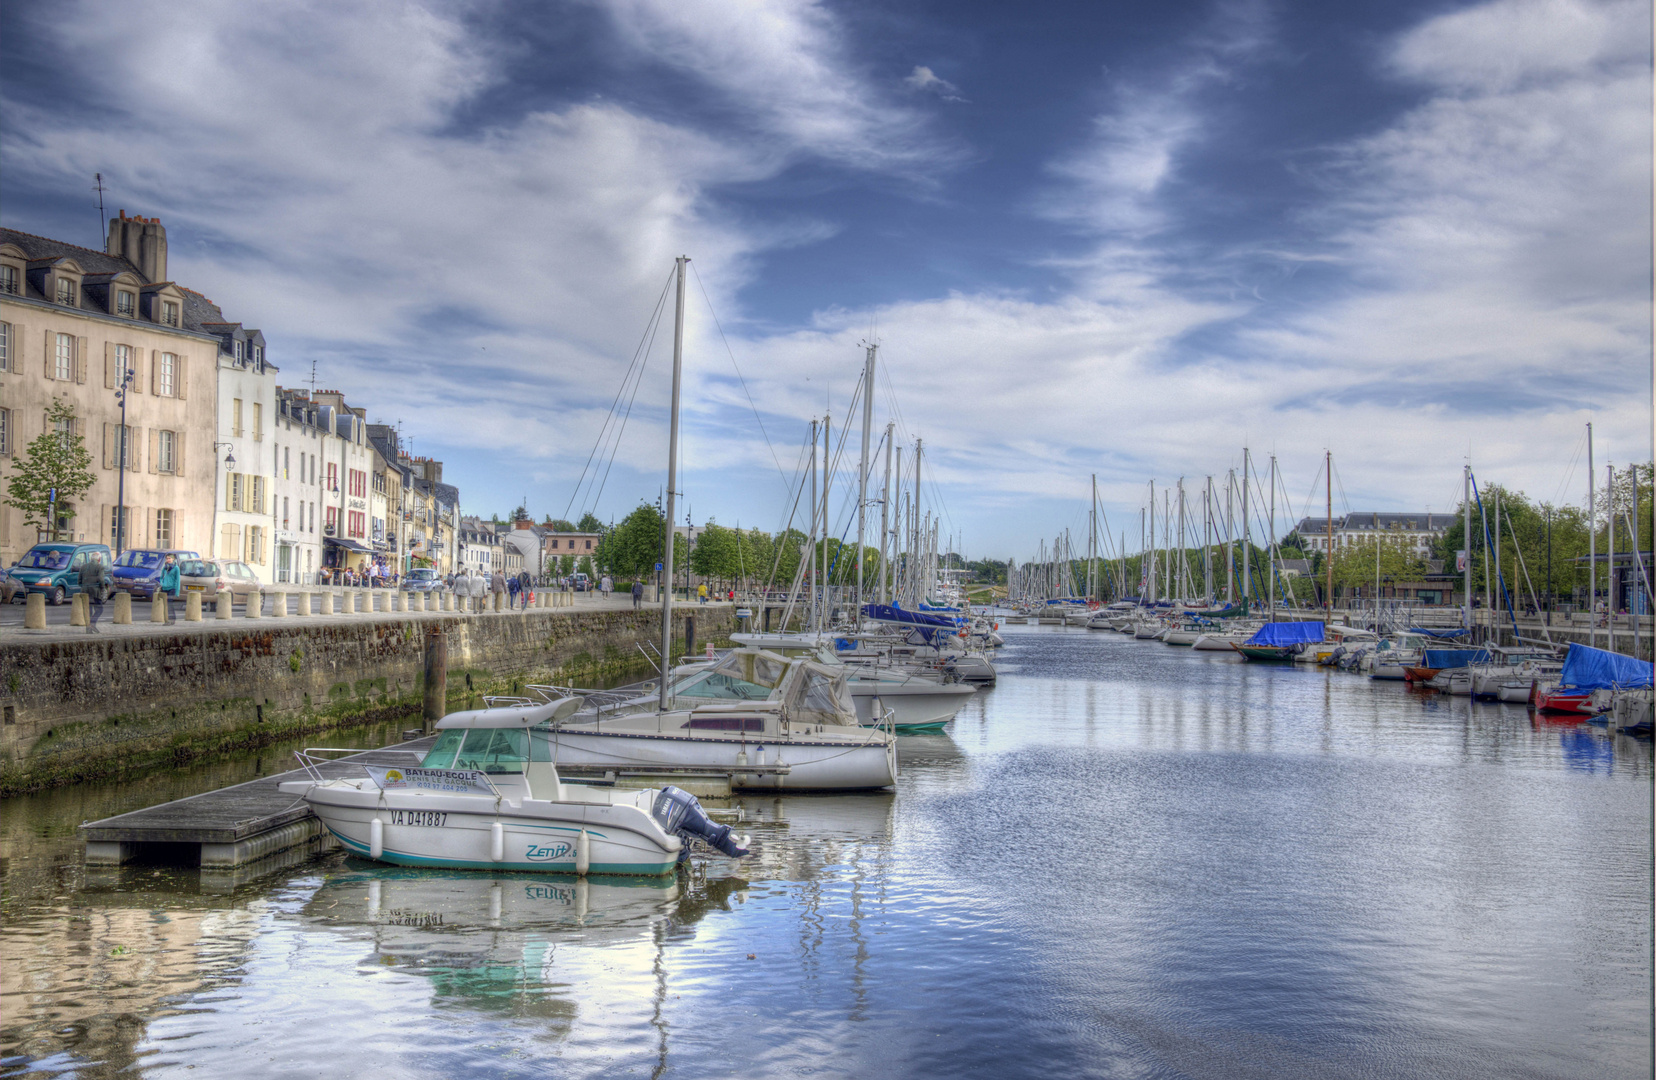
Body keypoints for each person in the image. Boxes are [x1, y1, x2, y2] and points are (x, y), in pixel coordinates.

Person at [80, 553, 106, 632]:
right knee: (99, 609)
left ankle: (88, 628)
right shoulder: (100, 567)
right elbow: (101, 580)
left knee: (89, 610)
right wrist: (102, 588)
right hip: (95, 592)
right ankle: (92, 624)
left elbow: (79, 581)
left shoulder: (83, 567)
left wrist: (85, 586)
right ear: (99, 559)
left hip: (85, 591)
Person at [159, 553, 182, 623]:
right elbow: (161, 577)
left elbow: (178, 580)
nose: (168, 560)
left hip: (172, 588)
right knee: (165, 605)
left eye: (169, 558)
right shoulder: (165, 567)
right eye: (167, 558)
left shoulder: (176, 568)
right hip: (164, 588)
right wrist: (162, 584)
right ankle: (166, 619)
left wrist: (177, 591)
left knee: (169, 604)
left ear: (173, 559)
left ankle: (172, 619)